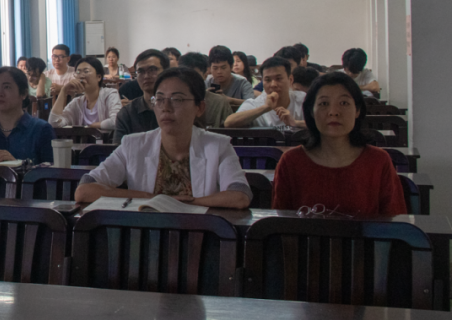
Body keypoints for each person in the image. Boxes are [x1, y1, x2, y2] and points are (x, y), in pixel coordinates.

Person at [74, 68, 251, 208]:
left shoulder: (218, 146)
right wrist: (151, 198)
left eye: (177, 99)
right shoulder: (133, 144)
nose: (166, 107)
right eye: (159, 99)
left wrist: (179, 205)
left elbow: (240, 196)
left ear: (199, 108)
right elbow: (85, 190)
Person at [273, 73, 405, 215]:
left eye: (344, 103)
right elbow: (280, 223)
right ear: (311, 111)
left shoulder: (378, 161)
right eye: (324, 104)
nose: (333, 112)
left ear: (357, 110)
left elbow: (394, 223)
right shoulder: (291, 162)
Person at [0, 67, 54, 164]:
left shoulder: (41, 130)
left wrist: (17, 164)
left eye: (7, 87)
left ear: (23, 93)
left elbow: (51, 171)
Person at [225, 57, 305, 128]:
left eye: (278, 79)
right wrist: (265, 108)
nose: (273, 84)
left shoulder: (302, 100)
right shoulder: (255, 104)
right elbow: (228, 123)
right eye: (268, 80)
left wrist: (295, 123)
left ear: (290, 80)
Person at [48, 57, 121, 131]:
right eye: (78, 72)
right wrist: (64, 90)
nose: (81, 76)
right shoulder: (77, 102)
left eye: (86, 71)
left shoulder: (110, 95)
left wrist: (92, 127)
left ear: (99, 77)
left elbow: (117, 121)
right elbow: (54, 123)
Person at [112, 49, 169, 142]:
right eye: (141, 71)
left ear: (166, 72)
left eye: (152, 70)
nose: (146, 76)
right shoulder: (127, 114)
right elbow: (118, 149)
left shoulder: (177, 109)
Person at [178, 52, 233, 129]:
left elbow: (230, 130)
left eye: (194, 76)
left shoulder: (219, 102)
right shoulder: (172, 101)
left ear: (205, 75)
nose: (189, 80)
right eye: (185, 76)